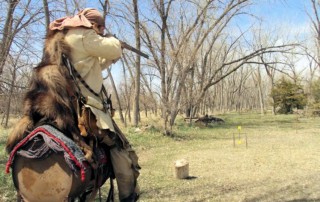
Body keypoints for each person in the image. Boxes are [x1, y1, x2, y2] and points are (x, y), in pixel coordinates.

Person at [49, 8, 140, 201]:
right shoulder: (84, 34)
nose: (100, 31)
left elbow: (91, 65)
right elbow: (112, 47)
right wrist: (115, 41)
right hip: (87, 108)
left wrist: (111, 55)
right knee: (120, 148)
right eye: (100, 27)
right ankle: (127, 195)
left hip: (63, 104)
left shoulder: (65, 37)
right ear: (93, 25)